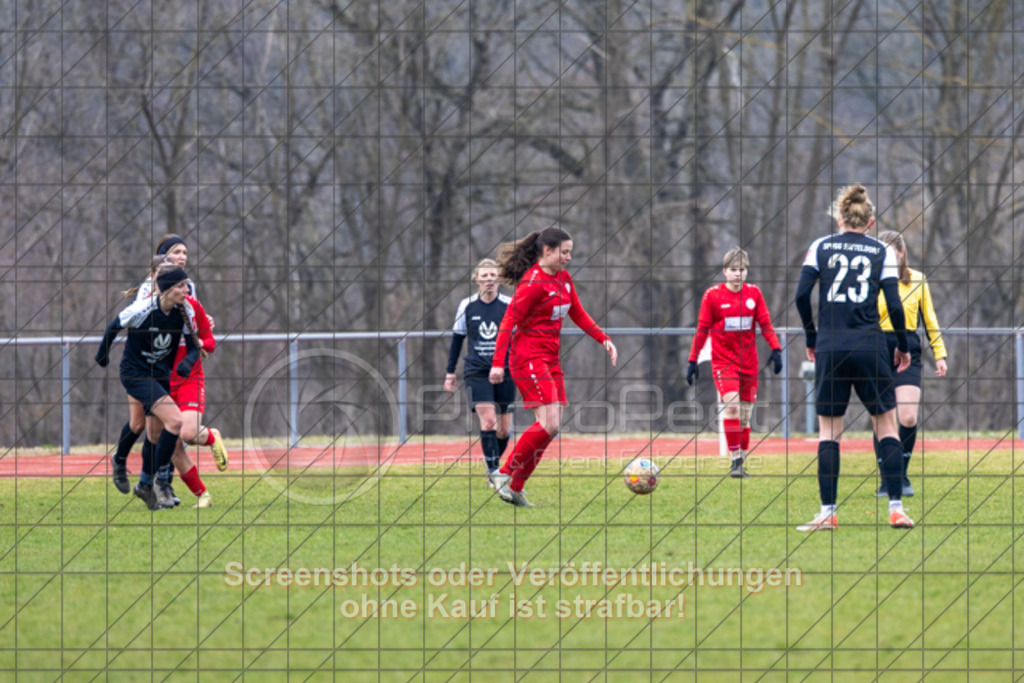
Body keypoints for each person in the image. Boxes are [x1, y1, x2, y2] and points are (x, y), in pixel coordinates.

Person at [794, 184, 913, 531]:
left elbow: (801, 295)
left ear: (839, 218)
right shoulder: (882, 251)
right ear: (870, 221)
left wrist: (812, 335)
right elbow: (893, 304)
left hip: (831, 346)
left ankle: (828, 513)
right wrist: (903, 345)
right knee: (886, 425)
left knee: (830, 432)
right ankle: (895, 508)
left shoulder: (820, 246)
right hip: (870, 345)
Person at [488, 226, 618, 507]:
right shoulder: (532, 284)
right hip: (528, 358)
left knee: (551, 427)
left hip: (550, 359)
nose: (569, 257)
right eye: (565, 252)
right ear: (547, 251)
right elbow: (508, 323)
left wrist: (603, 339)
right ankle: (503, 473)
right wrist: (498, 364)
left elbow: (578, 313)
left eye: (570, 252)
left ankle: (516, 487)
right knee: (550, 422)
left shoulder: (564, 279)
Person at [95, 266, 201, 511]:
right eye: (182, 286)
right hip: (136, 374)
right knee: (174, 422)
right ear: (166, 289)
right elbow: (114, 326)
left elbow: (195, 346)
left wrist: (186, 362)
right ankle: (154, 479)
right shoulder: (143, 309)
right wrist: (102, 355)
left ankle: (145, 483)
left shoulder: (183, 311)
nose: (187, 290)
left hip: (160, 375)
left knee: (154, 435)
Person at [685, 247, 783, 478]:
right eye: (733, 270)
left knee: (746, 415)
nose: (738, 274)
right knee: (732, 406)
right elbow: (702, 329)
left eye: (742, 269)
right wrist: (693, 360)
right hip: (724, 361)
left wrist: (776, 348)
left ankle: (740, 460)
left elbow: (766, 324)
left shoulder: (754, 294)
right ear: (724, 272)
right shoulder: (713, 296)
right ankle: (734, 460)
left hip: (749, 362)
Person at [874, 230, 948, 497]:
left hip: (909, 349)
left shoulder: (917, 279)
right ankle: (886, 479)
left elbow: (929, 319)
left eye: (892, 252)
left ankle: (901, 475)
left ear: (902, 253)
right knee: (882, 417)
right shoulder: (872, 281)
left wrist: (939, 354)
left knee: (907, 416)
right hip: (878, 348)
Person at [444, 258, 516, 488]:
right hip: (476, 370)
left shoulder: (509, 304)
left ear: (499, 279)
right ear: (476, 279)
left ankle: (493, 466)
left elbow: (521, 338)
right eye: (484, 276)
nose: (489, 280)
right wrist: (450, 372)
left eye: (493, 276)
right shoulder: (467, 305)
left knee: (504, 430)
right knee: (488, 421)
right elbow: (457, 339)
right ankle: (494, 471)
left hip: (506, 370)